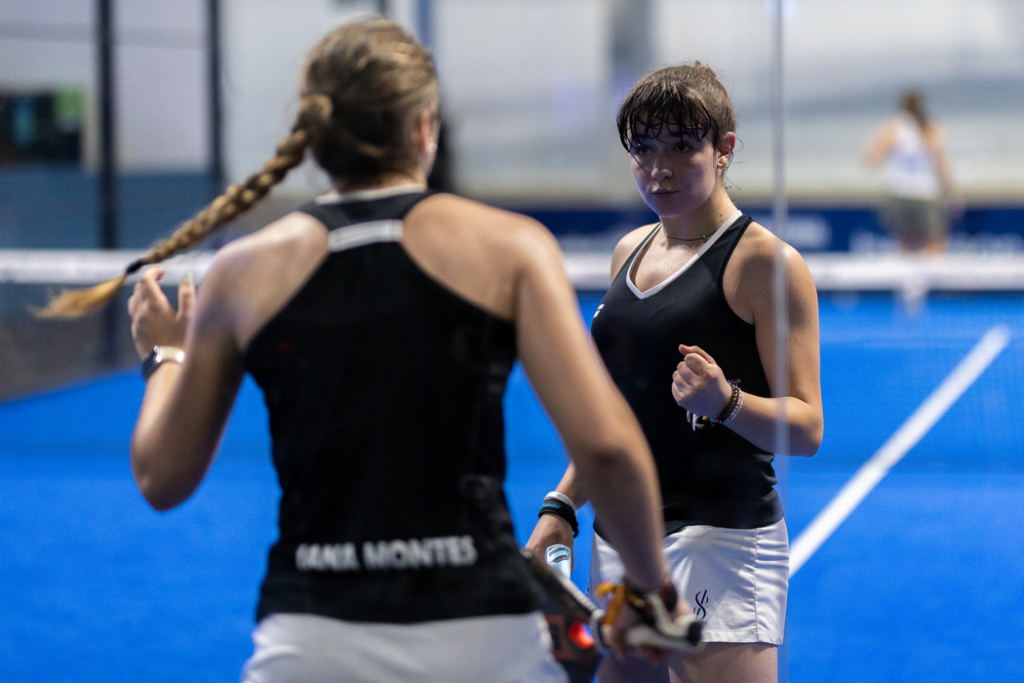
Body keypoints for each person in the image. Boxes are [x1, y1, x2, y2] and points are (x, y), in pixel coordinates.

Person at [42, 19, 686, 683]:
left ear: (314, 135)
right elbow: (606, 449)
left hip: (311, 644)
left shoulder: (242, 272)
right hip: (481, 637)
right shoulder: (510, 249)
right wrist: (649, 594)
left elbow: (161, 477)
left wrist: (164, 357)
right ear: (424, 128)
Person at [527, 62, 824, 683]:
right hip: (623, 537)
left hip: (722, 538)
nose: (658, 168)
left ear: (724, 149)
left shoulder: (767, 264)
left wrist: (728, 403)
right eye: (643, 149)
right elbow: (618, 417)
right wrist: (563, 505)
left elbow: (806, 429)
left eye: (683, 147)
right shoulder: (627, 252)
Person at [863, 90, 961, 254]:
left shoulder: (894, 129)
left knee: (906, 244)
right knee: (934, 243)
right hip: (925, 192)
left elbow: (871, 159)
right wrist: (950, 192)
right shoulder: (929, 129)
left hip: (901, 191)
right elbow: (941, 164)